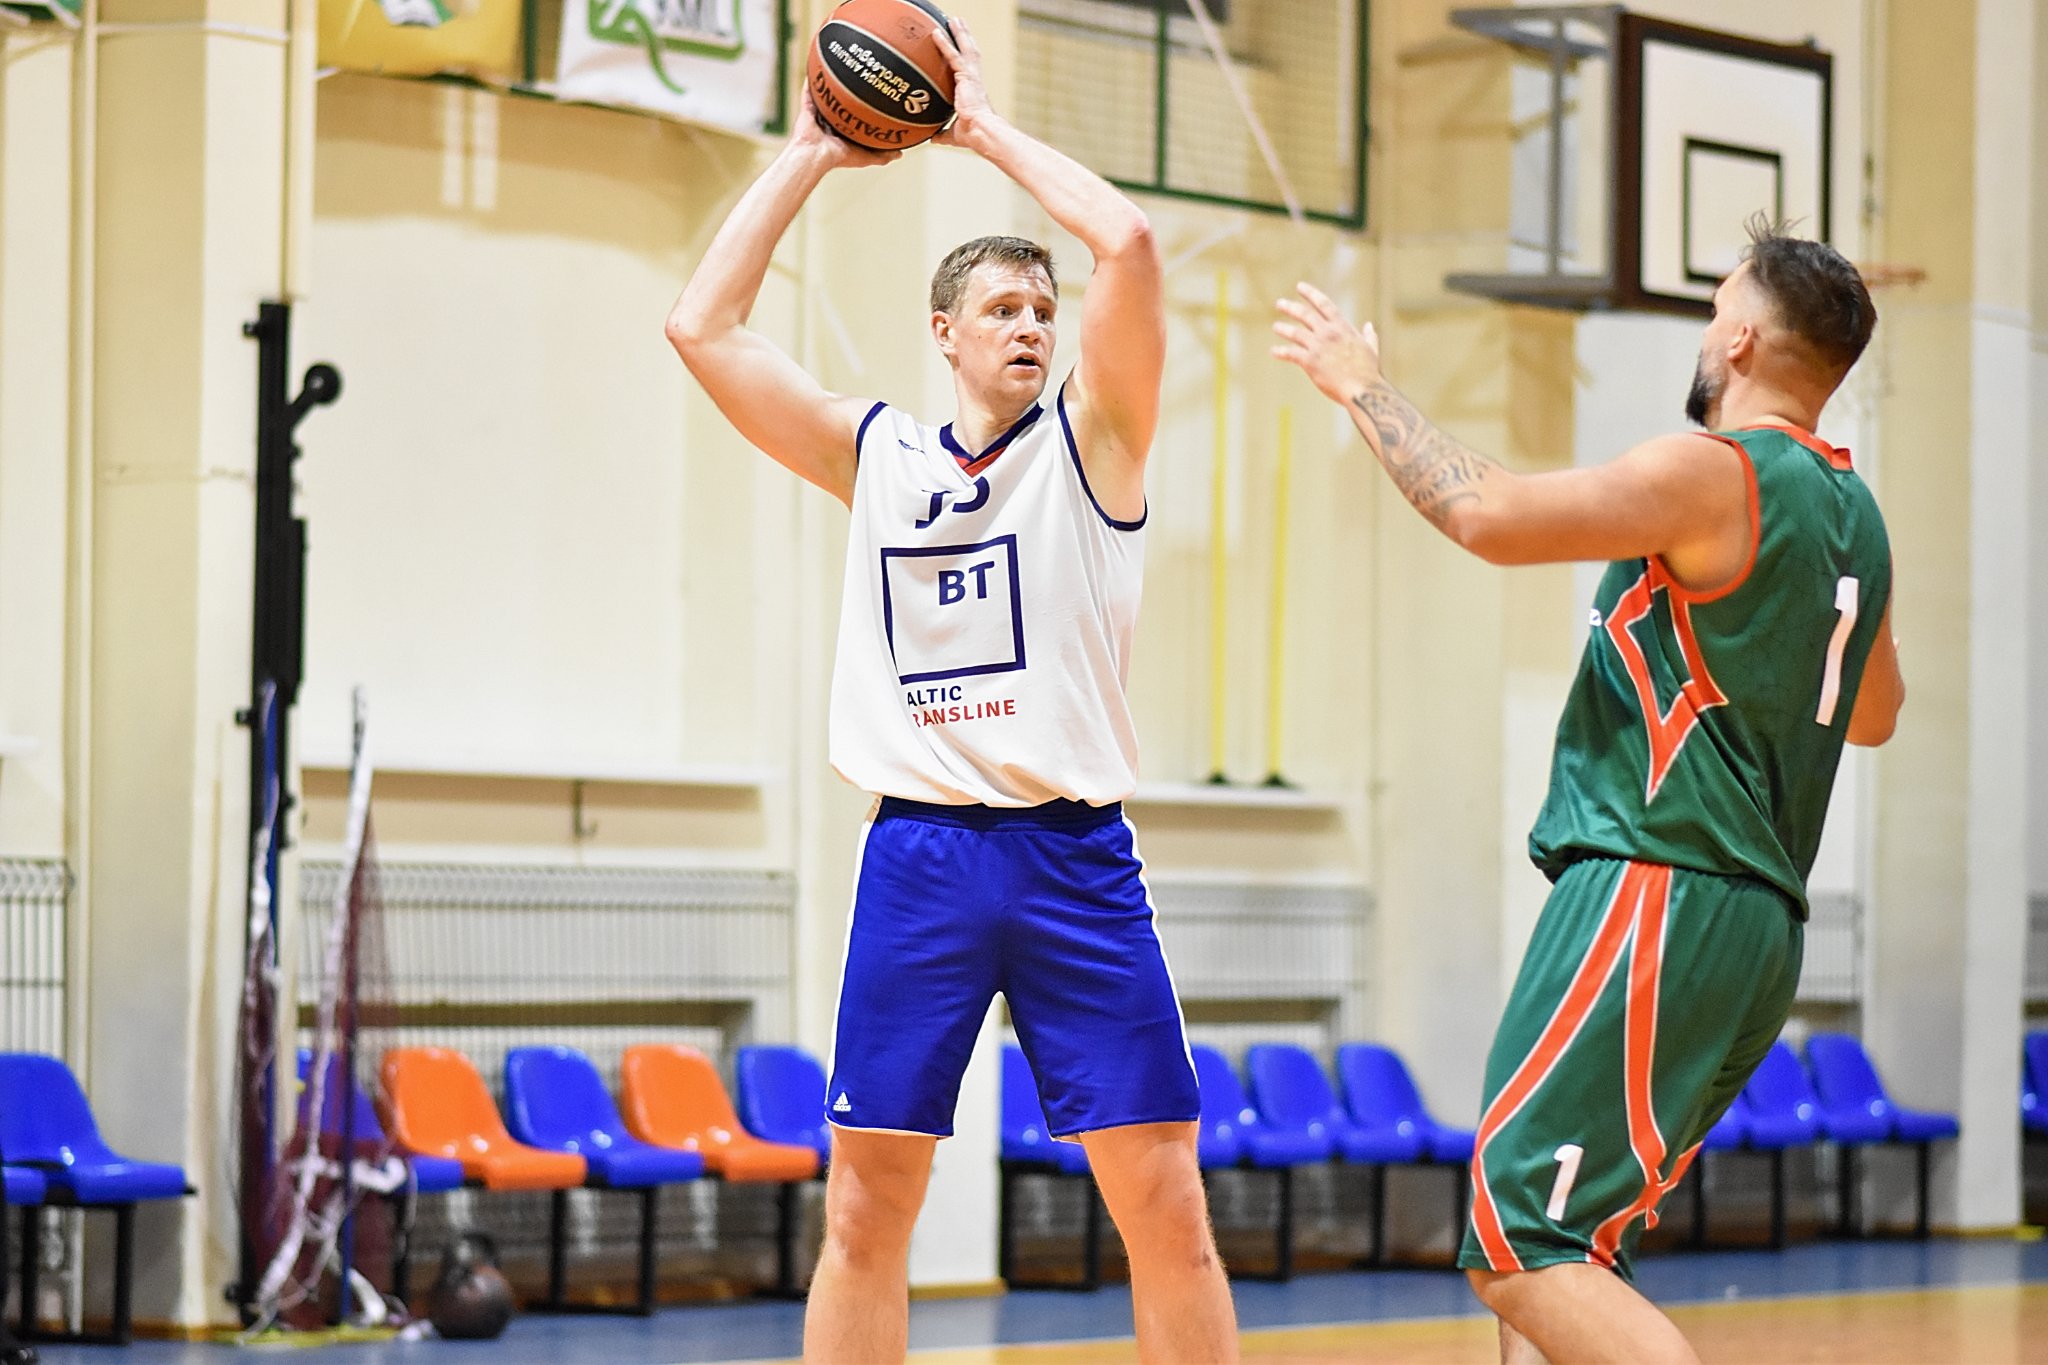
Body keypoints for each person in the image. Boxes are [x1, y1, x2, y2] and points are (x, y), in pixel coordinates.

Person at [665, 19, 1238, 1365]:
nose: (1031, 326)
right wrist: (813, 148)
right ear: (944, 335)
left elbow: (1128, 244)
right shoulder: (877, 457)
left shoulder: (1096, 444)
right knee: (867, 1205)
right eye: (1002, 310)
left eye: (1043, 311)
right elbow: (701, 326)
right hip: (918, 857)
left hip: (1073, 857)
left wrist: (975, 127)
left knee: (1163, 1198)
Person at [1274, 221, 1902, 1365]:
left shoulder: (1710, 471)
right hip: (1756, 927)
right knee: (1572, 1242)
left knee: (1519, 1241)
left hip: (1657, 890)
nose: (1706, 331)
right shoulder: (1854, 519)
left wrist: (1359, 384)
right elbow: (1871, 711)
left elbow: (1484, 514)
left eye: (1714, 309)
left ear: (1742, 339)